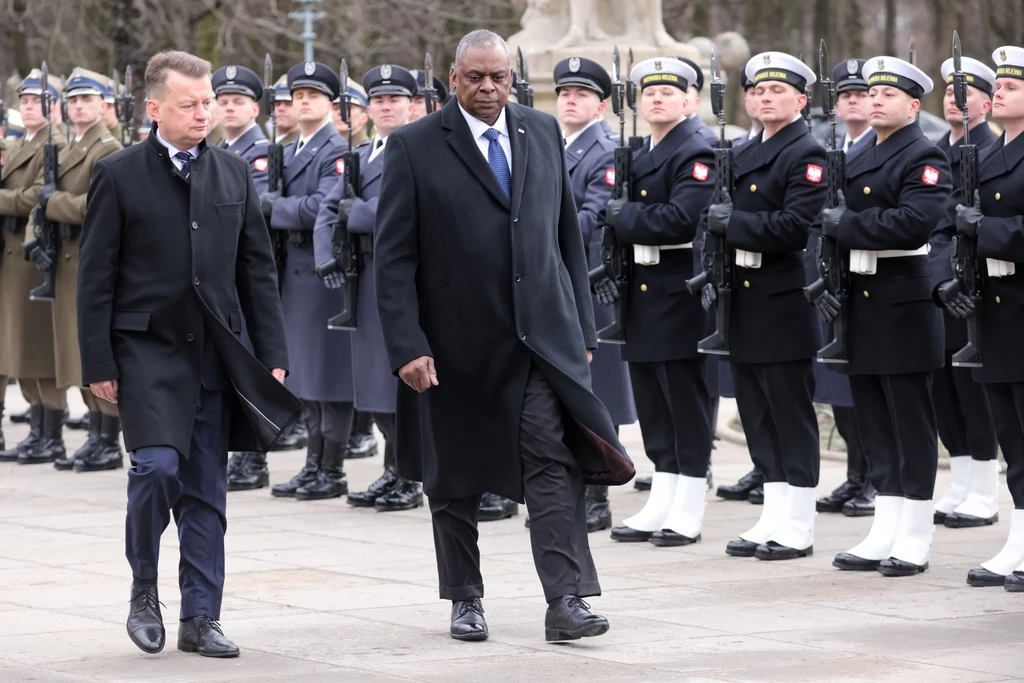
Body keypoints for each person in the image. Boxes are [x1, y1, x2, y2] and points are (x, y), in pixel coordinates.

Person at [374, 29, 632, 642]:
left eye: (499, 78)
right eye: (475, 78)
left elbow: (565, 236)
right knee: (454, 476)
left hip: (538, 338)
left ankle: (566, 600)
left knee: (551, 460)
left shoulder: (539, 132)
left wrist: (579, 326)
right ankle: (465, 598)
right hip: (453, 344)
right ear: (454, 79)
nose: (487, 89)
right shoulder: (413, 146)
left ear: (513, 79)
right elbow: (393, 259)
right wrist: (407, 344)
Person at [78, 50, 297, 657]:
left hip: (215, 356)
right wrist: (98, 363)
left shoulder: (232, 173)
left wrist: (271, 353)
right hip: (145, 352)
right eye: (190, 104)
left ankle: (202, 617)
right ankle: (144, 588)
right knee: (157, 468)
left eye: (208, 104)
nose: (205, 114)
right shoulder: (118, 174)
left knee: (206, 488)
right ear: (155, 109)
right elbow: (95, 278)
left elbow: (258, 271)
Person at [827, 56, 951, 576]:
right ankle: (886, 526)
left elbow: (914, 224)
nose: (875, 101)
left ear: (913, 106)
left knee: (911, 422)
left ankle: (916, 534)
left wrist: (846, 224)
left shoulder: (924, 157)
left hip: (903, 303)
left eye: (888, 95)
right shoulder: (855, 155)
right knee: (874, 421)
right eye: (871, 94)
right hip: (861, 300)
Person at [708, 52, 825, 561]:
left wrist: (729, 224)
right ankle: (773, 513)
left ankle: (798, 519)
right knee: (756, 410)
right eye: (756, 91)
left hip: (781, 298)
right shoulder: (741, 149)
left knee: (788, 411)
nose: (763, 98)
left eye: (775, 91)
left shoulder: (806, 152)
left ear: (800, 100)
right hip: (743, 297)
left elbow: (795, 227)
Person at [598, 56, 715, 549]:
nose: (657, 99)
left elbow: (680, 220)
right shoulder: (642, 150)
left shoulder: (698, 149)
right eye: (649, 92)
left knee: (684, 401)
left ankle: (688, 502)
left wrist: (624, 215)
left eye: (669, 92)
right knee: (653, 402)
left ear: (691, 100)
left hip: (679, 289)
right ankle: (662, 494)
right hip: (643, 291)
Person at [314, 63, 423, 512]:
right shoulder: (362, 154)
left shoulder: (421, 148)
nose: (385, 106)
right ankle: (393, 469)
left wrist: (358, 214)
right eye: (377, 100)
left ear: (413, 105)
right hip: (364, 277)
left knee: (401, 382)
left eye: (394, 99)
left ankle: (410, 476)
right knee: (374, 387)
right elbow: (329, 209)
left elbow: (405, 211)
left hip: (404, 279)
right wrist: (327, 256)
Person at [936, 45, 1024, 590]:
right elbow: (950, 227)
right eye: (1001, 87)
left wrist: (983, 232)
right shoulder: (986, 156)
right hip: (994, 311)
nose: (1000, 94)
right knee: (1012, 436)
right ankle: (1018, 541)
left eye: (1013, 87)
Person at [552, 55, 636, 533]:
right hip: (557, 281)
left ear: (601, 105)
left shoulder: (604, 151)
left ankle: (600, 494)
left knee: (596, 391)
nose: (570, 100)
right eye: (565, 92)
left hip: (588, 282)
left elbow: (594, 219)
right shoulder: (553, 145)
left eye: (582, 94)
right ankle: (573, 488)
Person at [262, 60, 352, 501]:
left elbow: (323, 207)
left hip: (319, 272)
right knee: (304, 375)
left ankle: (331, 466)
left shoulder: (335, 150)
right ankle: (313, 462)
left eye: (313, 96)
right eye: (297, 96)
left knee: (327, 374)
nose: (302, 102)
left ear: (331, 105)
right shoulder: (294, 149)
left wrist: (276, 207)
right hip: (292, 272)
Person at [28, 68, 125, 472]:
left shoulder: (108, 147)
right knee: (75, 353)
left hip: (88, 258)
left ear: (104, 106)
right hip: (65, 260)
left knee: (94, 350)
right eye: (73, 101)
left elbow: (96, 205)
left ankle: (107, 440)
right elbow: (40, 197)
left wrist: (53, 204)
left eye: (87, 100)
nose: (78, 106)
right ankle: (94, 434)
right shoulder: (69, 148)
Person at [929, 55, 1000, 528]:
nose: (955, 100)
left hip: (972, 284)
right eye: (950, 92)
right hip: (933, 282)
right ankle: (961, 482)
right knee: (944, 389)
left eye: (965, 93)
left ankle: (986, 490)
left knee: (975, 389)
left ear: (985, 104)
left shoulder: (990, 151)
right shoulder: (933, 150)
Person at [814, 58, 876, 518]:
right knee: (841, 388)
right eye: (845, 95)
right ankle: (856, 475)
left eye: (861, 93)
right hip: (836, 278)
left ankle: (873, 477)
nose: (853, 100)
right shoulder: (831, 147)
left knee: (867, 387)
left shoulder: (881, 147)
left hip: (870, 279)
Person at [210, 64, 276, 492]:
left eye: (238, 102)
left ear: (256, 108)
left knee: (253, 362)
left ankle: (255, 458)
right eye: (222, 101)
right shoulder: (213, 151)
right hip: (219, 271)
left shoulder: (262, 151)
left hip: (245, 268)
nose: (229, 108)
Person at [0, 70, 66, 463]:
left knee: (38, 347)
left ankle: (51, 432)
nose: (28, 107)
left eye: (36, 101)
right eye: (23, 101)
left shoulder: (53, 143)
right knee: (19, 346)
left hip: (31, 254)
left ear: (52, 106)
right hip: (11, 258)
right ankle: (39, 430)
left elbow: (36, 197)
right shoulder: (21, 141)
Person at [331, 80, 371, 145]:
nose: (340, 112)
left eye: (348, 108)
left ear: (364, 117)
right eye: (336, 108)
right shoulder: (326, 149)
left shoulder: (369, 151)